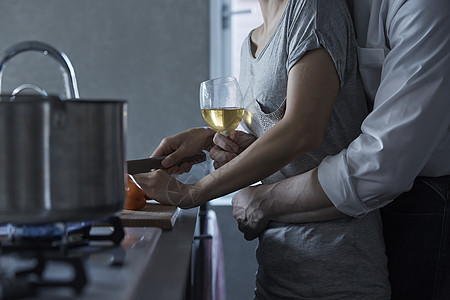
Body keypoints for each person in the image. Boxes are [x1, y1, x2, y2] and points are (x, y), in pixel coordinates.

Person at [135, 0, 391, 298]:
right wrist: (211, 138)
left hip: (337, 272)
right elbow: (286, 148)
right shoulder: (251, 42)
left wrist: (191, 192)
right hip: (276, 270)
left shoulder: (312, 10)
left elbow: (302, 131)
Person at [221, 0, 450, 299]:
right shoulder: (309, 11)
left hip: (423, 205)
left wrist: (262, 202)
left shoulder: (421, 7)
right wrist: (253, 149)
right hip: (342, 214)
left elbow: (383, 164)